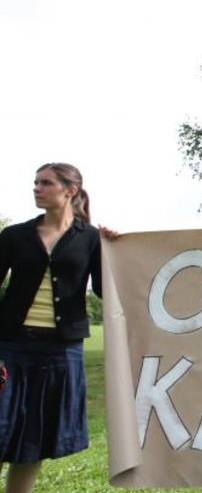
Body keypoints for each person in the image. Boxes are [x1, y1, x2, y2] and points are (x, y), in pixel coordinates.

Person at [0, 163, 115, 493]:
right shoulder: (13, 236)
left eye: (46, 183)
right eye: (35, 182)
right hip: (10, 345)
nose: (36, 188)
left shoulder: (91, 239)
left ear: (70, 190)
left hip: (60, 350)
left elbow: (105, 290)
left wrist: (116, 249)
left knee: (33, 438)